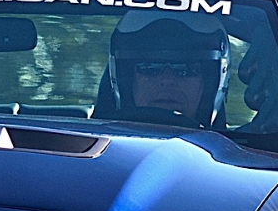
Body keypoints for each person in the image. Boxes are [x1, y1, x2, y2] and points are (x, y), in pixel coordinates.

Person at [97, 13, 230, 126]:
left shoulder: (241, 152)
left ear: (210, 83)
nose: (167, 80)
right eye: (149, 68)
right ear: (127, 80)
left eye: (186, 69)